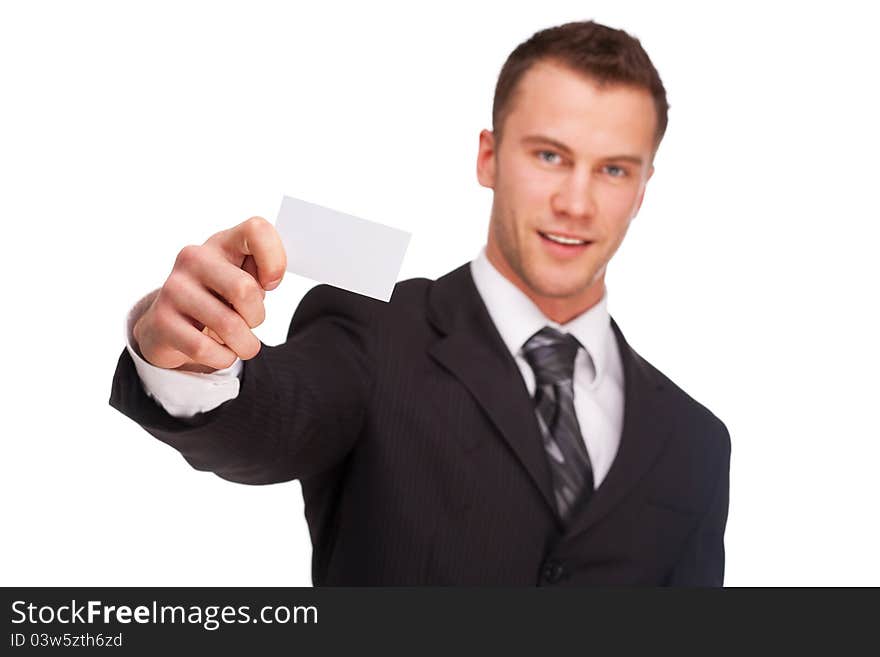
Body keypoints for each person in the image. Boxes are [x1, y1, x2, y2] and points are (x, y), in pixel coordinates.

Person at [109, 19, 731, 586]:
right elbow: (269, 418)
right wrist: (188, 348)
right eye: (549, 155)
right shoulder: (377, 331)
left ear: (644, 187)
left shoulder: (696, 440)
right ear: (489, 157)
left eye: (614, 170)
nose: (577, 202)